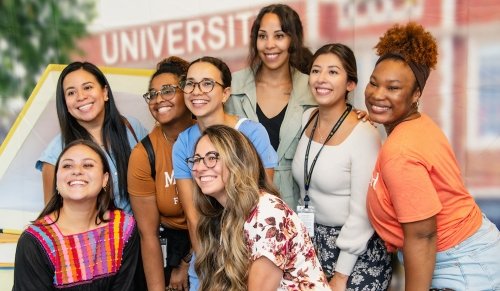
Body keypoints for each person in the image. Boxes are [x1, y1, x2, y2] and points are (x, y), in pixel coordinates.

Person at [365, 22, 500, 290]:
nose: (378, 94)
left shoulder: (401, 151)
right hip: (471, 251)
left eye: (393, 88)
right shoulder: (418, 125)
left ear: (416, 94)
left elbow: (423, 235)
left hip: (461, 267)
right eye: (373, 83)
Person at [225, 4, 368, 210]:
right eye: (262, 36)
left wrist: (358, 117)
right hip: (242, 204)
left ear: (293, 40)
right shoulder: (234, 86)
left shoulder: (313, 86)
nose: (269, 44)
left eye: (279, 36)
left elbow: (338, 121)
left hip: (296, 206)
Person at [292, 43, 392, 290]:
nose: (321, 79)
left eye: (333, 72)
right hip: (312, 241)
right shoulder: (307, 119)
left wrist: (341, 275)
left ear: (350, 84)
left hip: (356, 252)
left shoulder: (365, 134)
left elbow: (363, 213)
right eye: (316, 71)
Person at [173, 56, 278, 291]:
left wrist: (236, 271)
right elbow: (194, 216)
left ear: (225, 93)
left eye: (207, 83)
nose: (196, 90)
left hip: (251, 257)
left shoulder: (252, 133)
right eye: (190, 83)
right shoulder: (183, 143)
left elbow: (261, 208)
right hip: (208, 257)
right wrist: (211, 271)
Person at [190, 124, 330, 290]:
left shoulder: (268, 213)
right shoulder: (225, 214)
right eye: (197, 159)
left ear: (237, 161)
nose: (198, 168)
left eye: (211, 157)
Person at [13, 140, 143, 290]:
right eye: (67, 165)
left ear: (105, 179)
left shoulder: (123, 227)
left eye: (87, 165)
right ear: (57, 180)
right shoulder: (35, 241)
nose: (77, 171)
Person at [36, 61, 148, 214]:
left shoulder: (132, 127)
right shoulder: (56, 153)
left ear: (105, 92)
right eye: (71, 92)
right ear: (65, 104)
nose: (81, 97)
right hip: (95, 237)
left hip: (142, 234)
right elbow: (52, 216)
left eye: (87, 87)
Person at [128, 57, 194, 291]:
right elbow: (149, 236)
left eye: (167, 90)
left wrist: (187, 264)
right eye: (152, 94)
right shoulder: (143, 153)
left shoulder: (210, 138)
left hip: (215, 241)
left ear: (187, 92)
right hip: (167, 246)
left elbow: (222, 215)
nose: (158, 100)